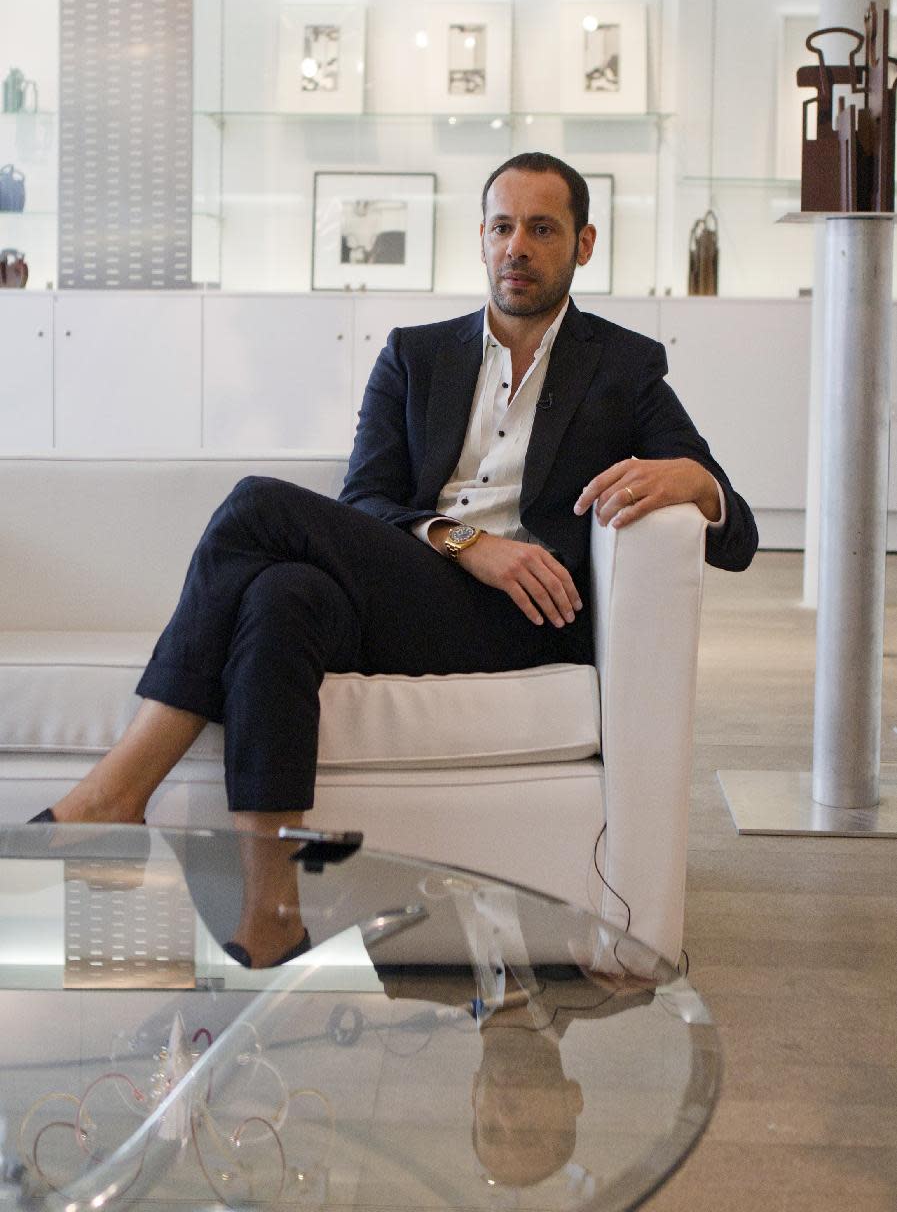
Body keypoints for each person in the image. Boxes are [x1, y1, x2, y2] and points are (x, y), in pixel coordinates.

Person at [28, 152, 758, 967]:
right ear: (481, 240)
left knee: (255, 506)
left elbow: (740, 536)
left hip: (524, 622)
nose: (517, 245)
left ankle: (115, 794)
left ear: (582, 245)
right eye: (501, 226)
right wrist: (465, 544)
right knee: (281, 596)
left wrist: (696, 480)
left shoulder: (621, 368)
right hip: (420, 589)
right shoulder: (416, 355)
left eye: (541, 229)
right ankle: (271, 907)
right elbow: (366, 501)